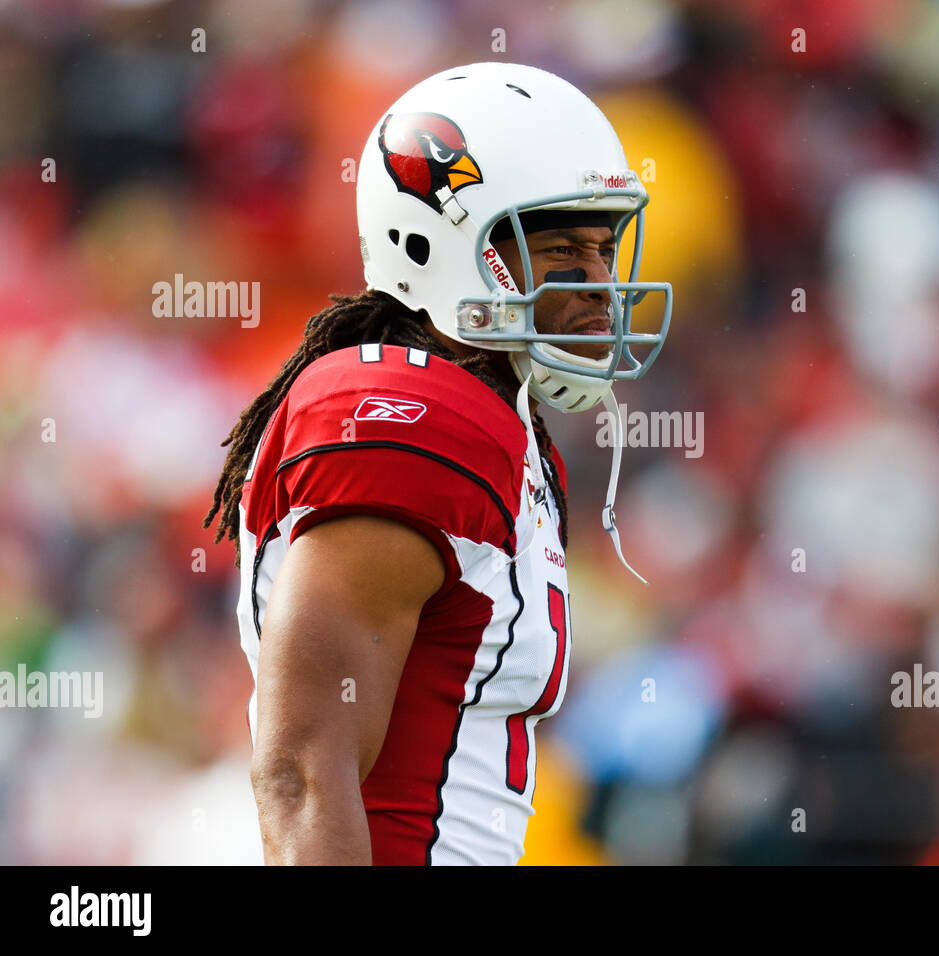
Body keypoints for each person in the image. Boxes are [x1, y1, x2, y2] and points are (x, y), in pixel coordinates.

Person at [202, 62, 672, 865]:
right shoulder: (410, 419)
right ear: (439, 240)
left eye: (602, 248)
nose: (598, 285)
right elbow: (303, 773)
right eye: (558, 247)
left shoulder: (490, 423)